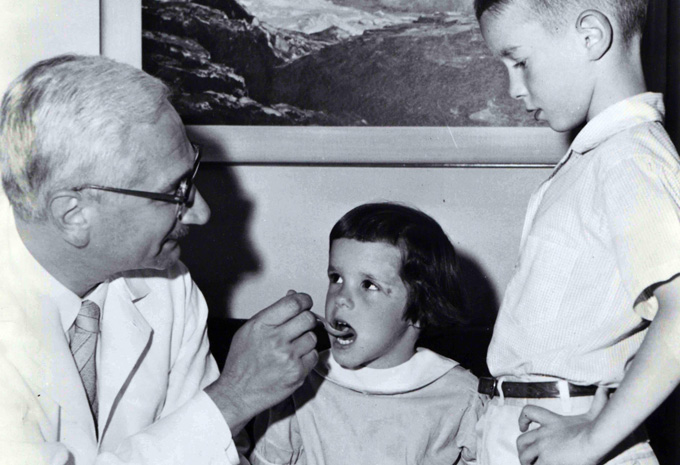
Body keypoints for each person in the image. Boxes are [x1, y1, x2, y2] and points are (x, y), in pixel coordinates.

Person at [0, 54, 319, 464]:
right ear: (73, 215)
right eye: (174, 191)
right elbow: (210, 432)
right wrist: (233, 399)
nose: (201, 212)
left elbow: (218, 455)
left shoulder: (166, 285)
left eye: (192, 175)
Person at [473, 1, 680, 464]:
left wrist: (590, 442)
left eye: (520, 61)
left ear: (591, 35)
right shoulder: (597, 157)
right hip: (537, 430)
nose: (513, 88)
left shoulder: (630, 157)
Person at [250, 202, 484, 464]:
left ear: (420, 311)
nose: (341, 299)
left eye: (368, 285)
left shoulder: (461, 397)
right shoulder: (299, 382)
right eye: (336, 278)